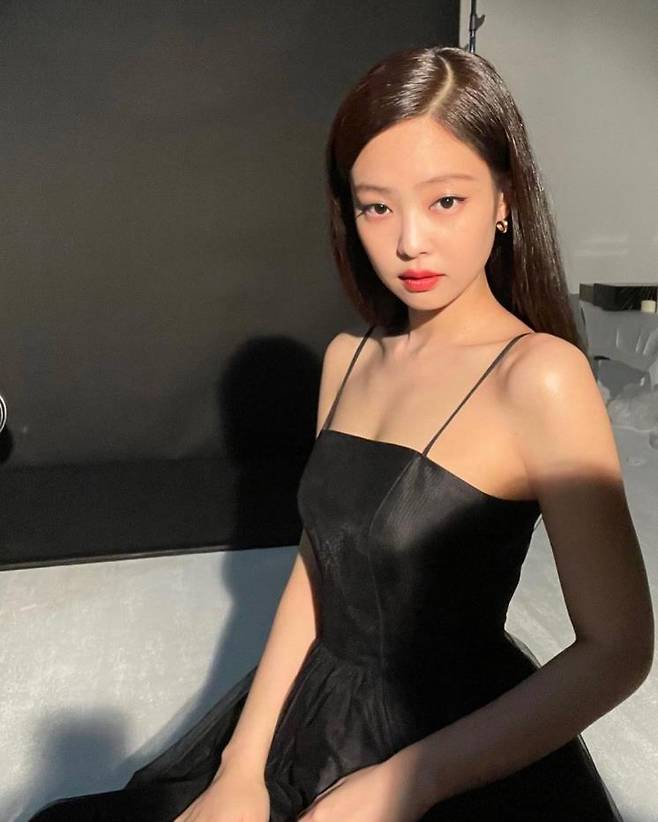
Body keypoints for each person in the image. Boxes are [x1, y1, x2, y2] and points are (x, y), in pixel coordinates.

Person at [30, 45, 653, 822]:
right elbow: (318, 565)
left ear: (505, 199)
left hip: (451, 741)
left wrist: (409, 783)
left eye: (445, 201)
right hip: (315, 709)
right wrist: (241, 768)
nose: (410, 241)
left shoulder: (540, 376)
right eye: (376, 207)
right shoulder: (347, 359)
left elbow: (618, 649)